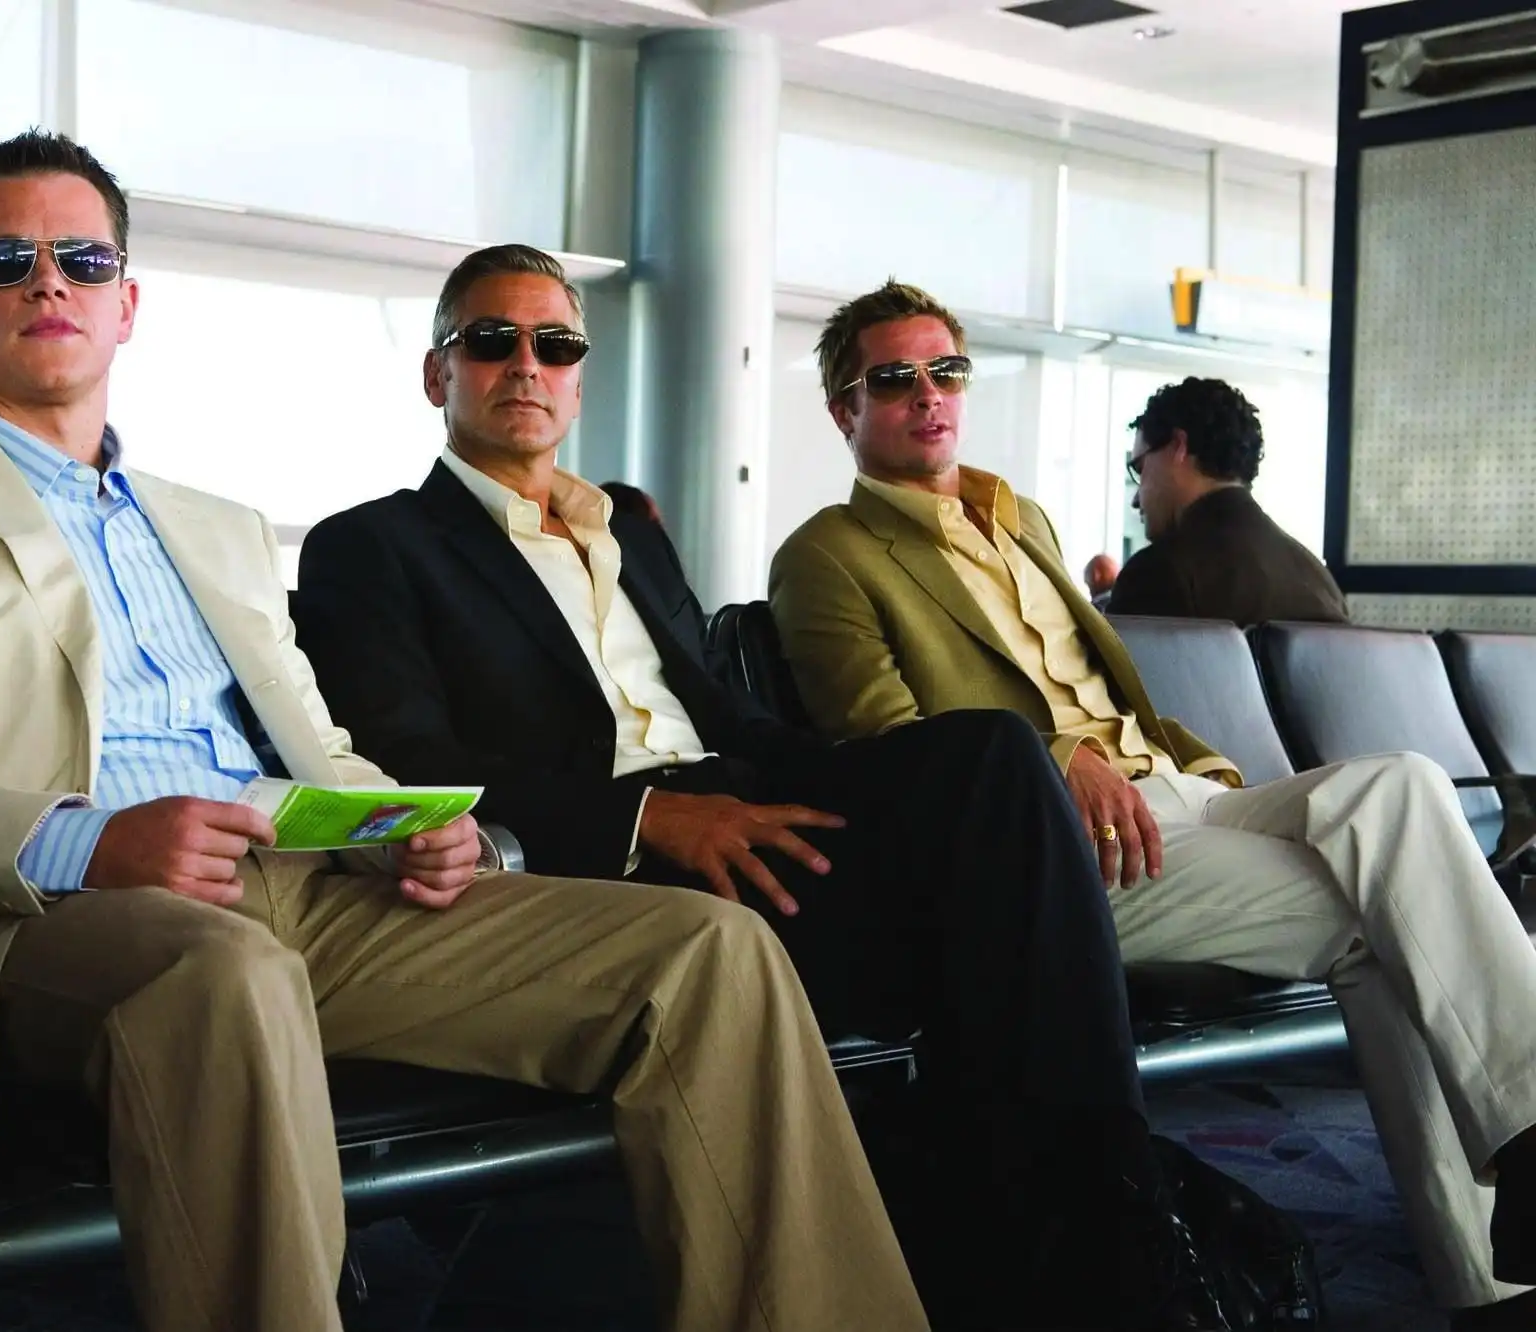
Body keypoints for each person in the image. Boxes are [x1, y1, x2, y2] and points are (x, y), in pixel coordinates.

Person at [0, 134, 931, 1332]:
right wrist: (89, 841)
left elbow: (319, 747)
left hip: (310, 886)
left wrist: (413, 825)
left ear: (127, 304)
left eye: (83, 258)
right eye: (6, 259)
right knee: (223, 976)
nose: (47, 281)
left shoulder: (214, 529)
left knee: (706, 956)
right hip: (46, 927)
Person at [294, 244, 1229, 1332]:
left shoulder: (627, 537)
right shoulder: (374, 546)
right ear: (435, 375)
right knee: (993, 933)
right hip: (610, 863)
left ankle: (1086, 1207)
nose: (524, 366)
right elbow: (415, 765)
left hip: (744, 815)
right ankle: (1092, 1252)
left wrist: (859, 786)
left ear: (578, 374)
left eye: (554, 344)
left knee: (989, 757)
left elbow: (734, 720)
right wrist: (650, 816)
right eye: (490, 342)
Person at [767, 277, 1536, 1329]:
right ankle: (1496, 1276)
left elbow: (1113, 689)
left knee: (1398, 785)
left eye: (943, 370)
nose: (925, 394)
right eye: (890, 378)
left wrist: (1206, 779)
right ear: (841, 409)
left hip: (1179, 795)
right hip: (1054, 849)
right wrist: (1050, 761)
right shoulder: (825, 556)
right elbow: (880, 743)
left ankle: (1522, 1169)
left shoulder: (1018, 518)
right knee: (1383, 918)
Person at [1108, 378, 1349, 625]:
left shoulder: (1160, 573)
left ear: (1178, 447)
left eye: (1140, 468)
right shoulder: (1318, 580)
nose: (1136, 500)